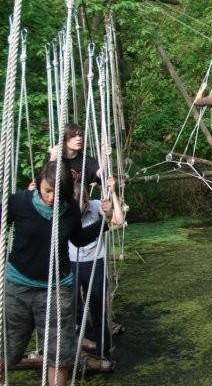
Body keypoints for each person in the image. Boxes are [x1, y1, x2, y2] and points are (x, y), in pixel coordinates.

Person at [1, 162, 122, 385]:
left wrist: (104, 222)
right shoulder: (19, 202)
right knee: (12, 350)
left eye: (59, 194)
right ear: (38, 184)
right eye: (47, 190)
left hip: (58, 287)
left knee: (59, 354)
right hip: (19, 285)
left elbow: (79, 238)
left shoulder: (70, 208)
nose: (52, 198)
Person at [70, 177, 124, 362]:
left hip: (95, 262)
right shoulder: (63, 209)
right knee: (72, 305)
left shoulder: (95, 205)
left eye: (82, 204)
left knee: (98, 307)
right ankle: (80, 339)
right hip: (71, 262)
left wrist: (113, 195)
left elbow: (118, 219)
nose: (80, 209)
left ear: (86, 200)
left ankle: (104, 349)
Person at [46, 123, 101, 189]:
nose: (79, 138)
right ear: (64, 139)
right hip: (60, 198)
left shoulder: (86, 160)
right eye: (73, 136)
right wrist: (53, 157)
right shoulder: (52, 160)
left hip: (81, 199)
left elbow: (101, 174)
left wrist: (104, 156)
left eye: (80, 135)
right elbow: (45, 180)